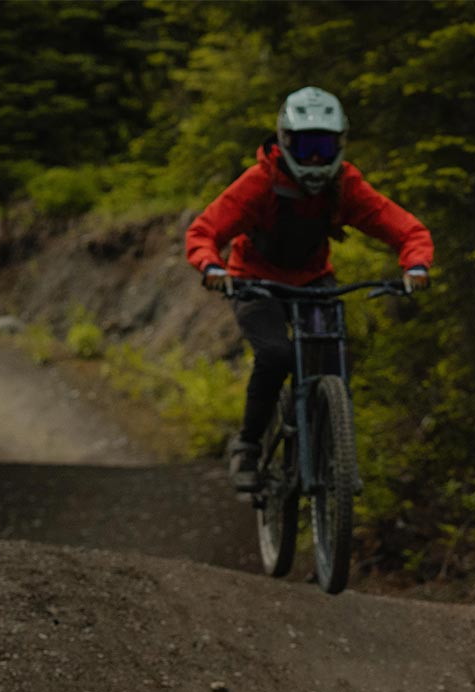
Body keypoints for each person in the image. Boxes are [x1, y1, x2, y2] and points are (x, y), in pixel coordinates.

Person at [185, 85, 435, 491]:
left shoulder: (344, 184)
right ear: (285, 142)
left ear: (340, 144)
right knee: (275, 354)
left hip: (314, 282)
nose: (316, 158)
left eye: (324, 146)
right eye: (306, 147)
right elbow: (204, 231)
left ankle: (333, 450)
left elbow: (406, 230)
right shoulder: (261, 182)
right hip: (254, 281)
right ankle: (247, 446)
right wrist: (211, 266)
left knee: (333, 357)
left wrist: (417, 264)